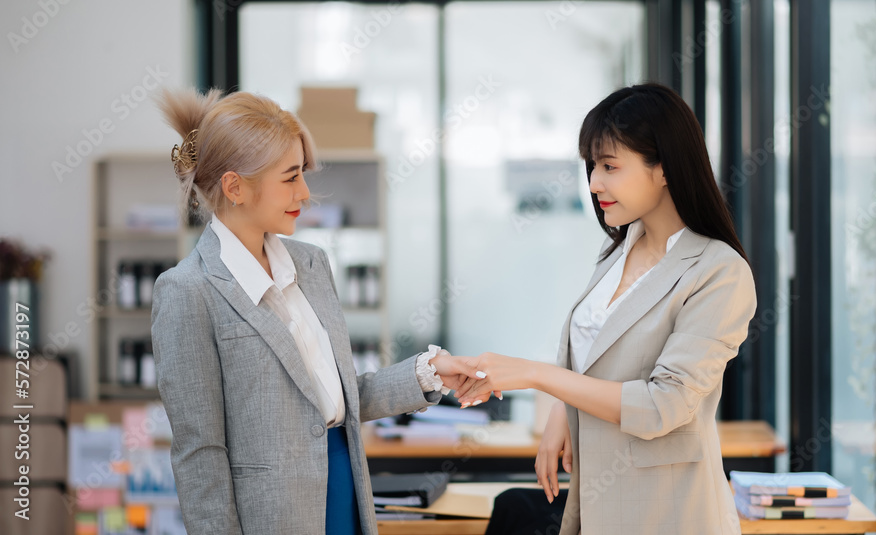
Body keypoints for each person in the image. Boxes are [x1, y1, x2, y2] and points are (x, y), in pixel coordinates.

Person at [150, 88, 488, 535]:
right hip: (270, 518)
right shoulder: (187, 291)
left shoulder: (310, 263)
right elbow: (200, 455)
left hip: (344, 489)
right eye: (291, 177)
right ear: (235, 186)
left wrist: (428, 372)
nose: (305, 192)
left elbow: (336, 397)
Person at [456, 83, 757, 535]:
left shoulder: (719, 271)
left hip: (668, 512)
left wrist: (539, 376)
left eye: (610, 166)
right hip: (595, 501)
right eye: (593, 166)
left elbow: (664, 403)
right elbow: (595, 351)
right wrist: (562, 411)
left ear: (665, 169)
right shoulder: (617, 248)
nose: (595, 183)